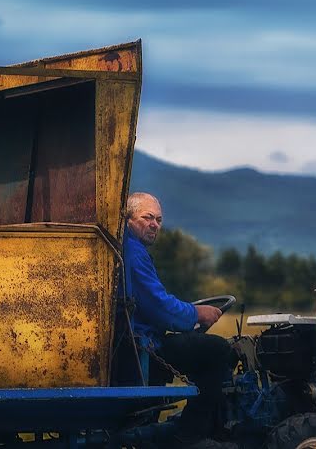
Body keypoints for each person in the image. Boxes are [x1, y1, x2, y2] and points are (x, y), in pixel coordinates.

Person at [112, 192, 236, 448]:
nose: (154, 224)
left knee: (203, 349)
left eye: (158, 219)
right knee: (219, 350)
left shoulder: (131, 249)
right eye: (147, 217)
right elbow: (159, 306)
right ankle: (191, 434)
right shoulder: (133, 253)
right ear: (128, 218)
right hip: (142, 347)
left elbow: (155, 303)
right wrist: (196, 313)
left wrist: (190, 313)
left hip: (141, 341)